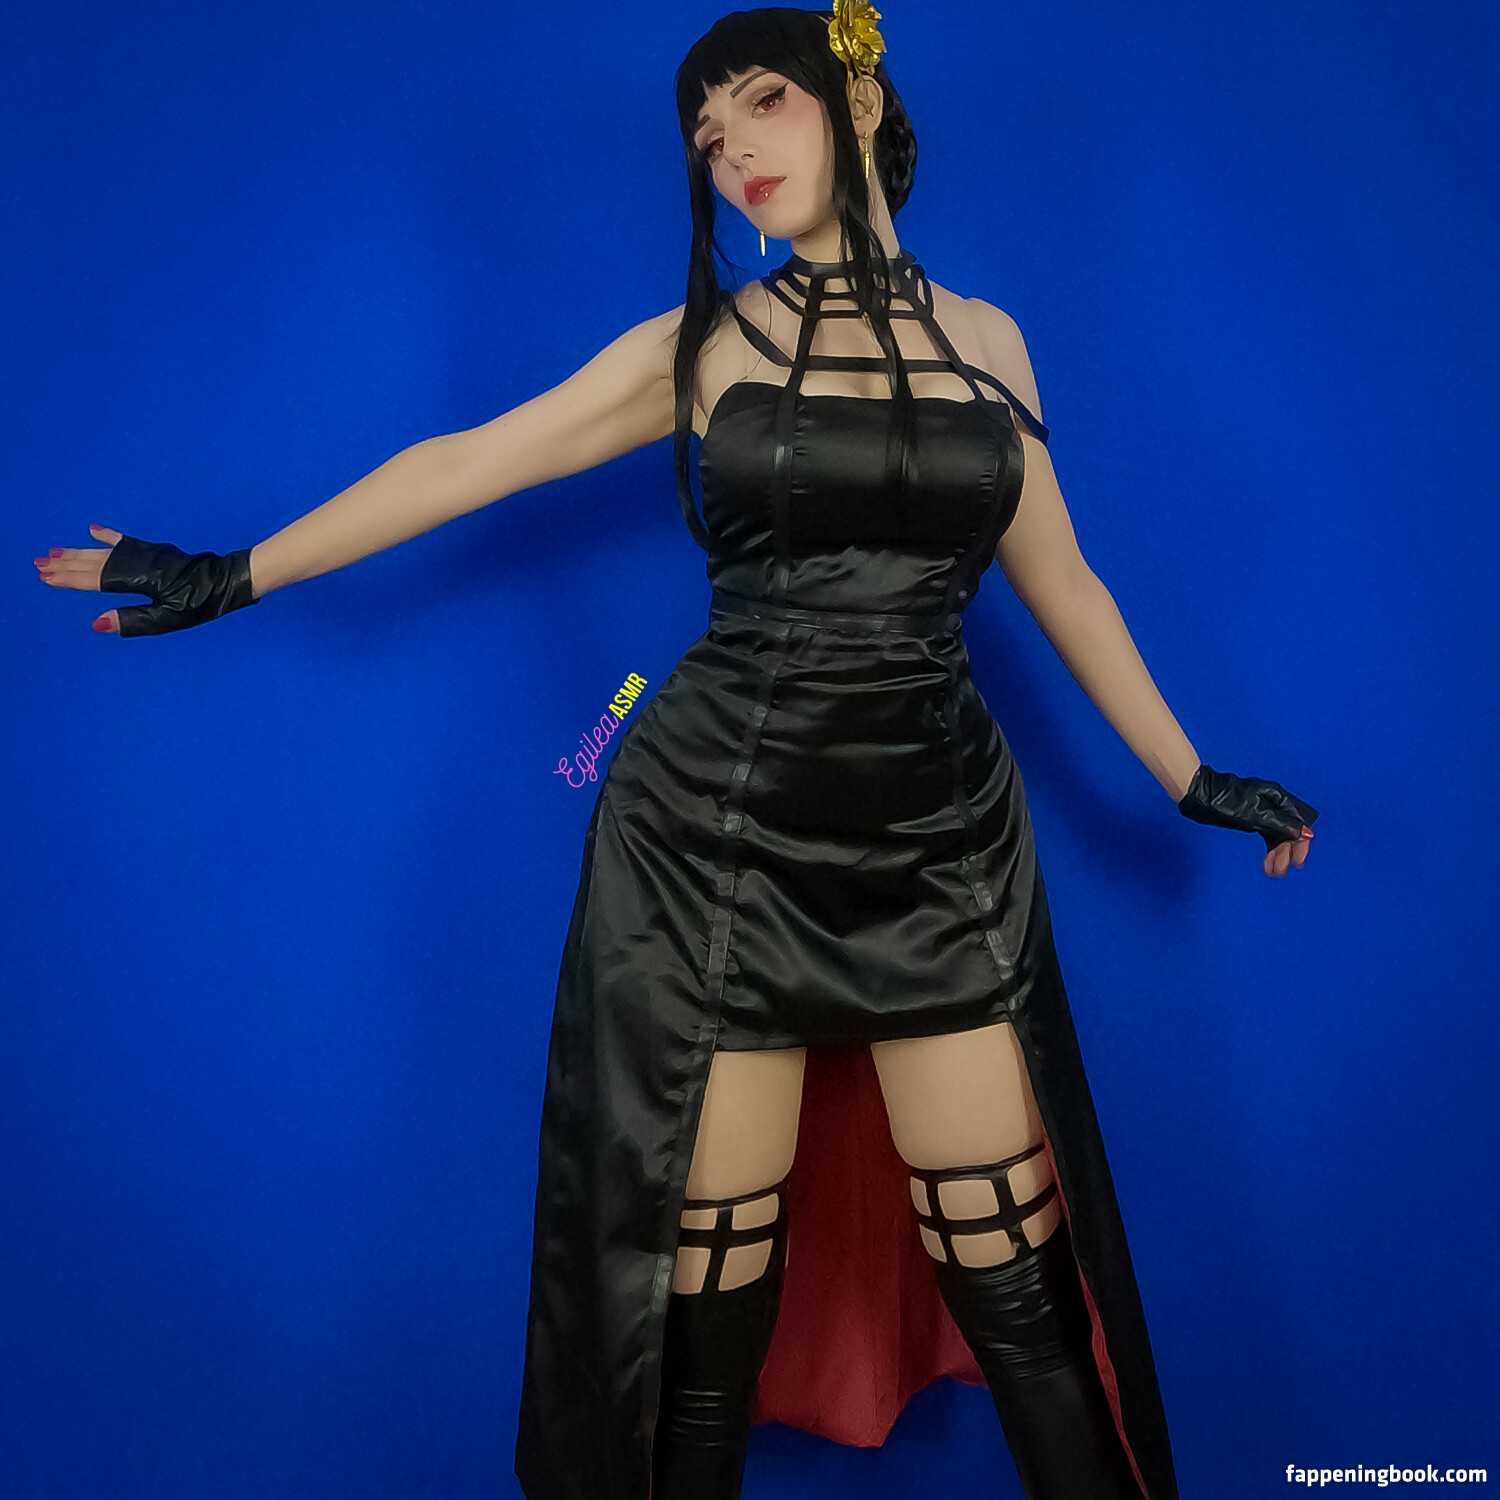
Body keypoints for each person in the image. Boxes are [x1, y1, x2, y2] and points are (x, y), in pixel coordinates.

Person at [33, 5, 1318, 1498]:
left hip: (939, 842)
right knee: (700, 1308)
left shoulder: (991, 340)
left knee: (1017, 1277)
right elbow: (469, 462)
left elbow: (1067, 582)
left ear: (858, 96)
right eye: (708, 135)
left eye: (764, 103)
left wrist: (1190, 777)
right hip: (714, 843)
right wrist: (230, 572)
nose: (734, 153)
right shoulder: (701, 345)